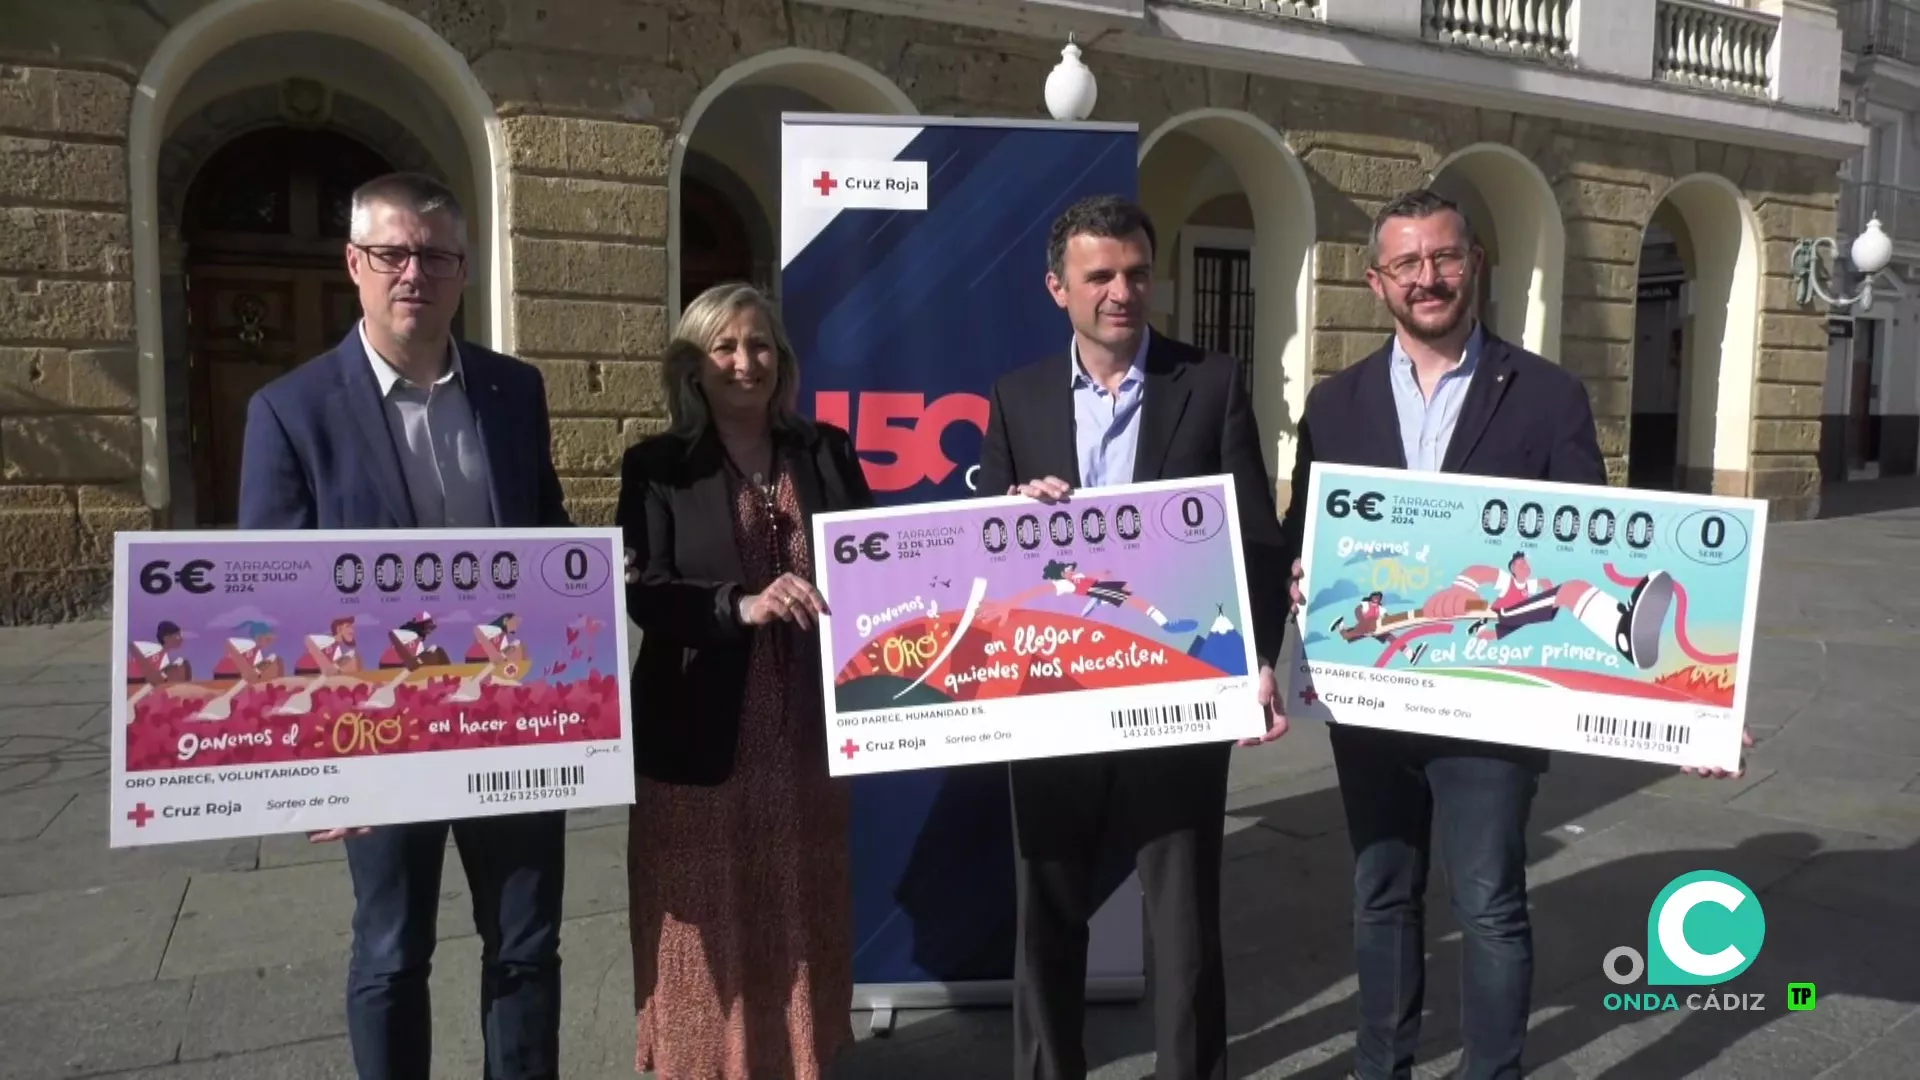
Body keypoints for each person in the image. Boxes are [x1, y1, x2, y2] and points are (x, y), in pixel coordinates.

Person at [1274, 188, 1745, 1080]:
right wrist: (1305, 574)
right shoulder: (1335, 405)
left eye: (1445, 257)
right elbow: (1308, 536)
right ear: (1377, 282)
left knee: (1489, 902)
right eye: (1407, 264)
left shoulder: (1549, 397)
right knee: (1382, 895)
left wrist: (1691, 702)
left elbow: (1601, 550)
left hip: (1497, 703)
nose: (1429, 278)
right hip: (1373, 694)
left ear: (1475, 262)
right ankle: (1383, 1066)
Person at [236, 171, 577, 1080]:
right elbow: (273, 604)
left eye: (432, 254)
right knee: (391, 953)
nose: (411, 271)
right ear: (354, 263)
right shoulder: (290, 411)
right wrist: (310, 766)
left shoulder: (514, 391)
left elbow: (546, 538)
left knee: (526, 947)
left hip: (508, 720)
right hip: (376, 734)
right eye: (390, 252)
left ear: (463, 269)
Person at [976, 194, 1291, 1080]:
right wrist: (1011, 514)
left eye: (1138, 273)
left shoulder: (1213, 382)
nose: (1123, 291)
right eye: (1101, 275)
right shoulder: (1018, 396)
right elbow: (988, 545)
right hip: (1051, 697)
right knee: (1047, 913)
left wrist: (1258, 662)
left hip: (1176, 689)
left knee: (1184, 918)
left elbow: (1256, 539)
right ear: (1058, 288)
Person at [616, 282, 875, 1080]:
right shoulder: (656, 467)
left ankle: (801, 1061)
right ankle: (704, 1065)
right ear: (693, 365)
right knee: (704, 925)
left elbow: (880, 554)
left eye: (759, 344)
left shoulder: (825, 450)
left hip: (805, 731)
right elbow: (644, 589)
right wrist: (740, 606)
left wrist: (1014, 519)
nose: (743, 361)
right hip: (699, 732)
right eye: (723, 347)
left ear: (782, 358)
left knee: (800, 905)